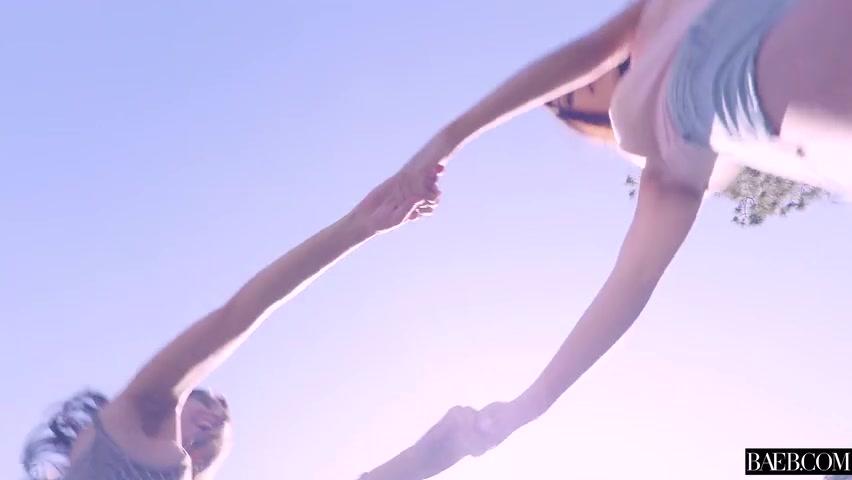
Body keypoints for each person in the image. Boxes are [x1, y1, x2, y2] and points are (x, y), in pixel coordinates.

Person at [401, 0, 852, 455]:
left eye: (560, 89)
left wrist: (446, 142)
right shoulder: (669, 149)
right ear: (593, 120)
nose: (567, 88)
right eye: (569, 99)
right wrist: (531, 403)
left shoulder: (656, 16)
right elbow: (632, 280)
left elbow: (590, 48)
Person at [20, 164, 475, 480]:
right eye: (206, 406)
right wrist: (356, 226)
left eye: (218, 429)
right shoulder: (126, 428)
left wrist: (431, 454)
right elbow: (236, 317)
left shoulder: (160, 456)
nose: (214, 420)